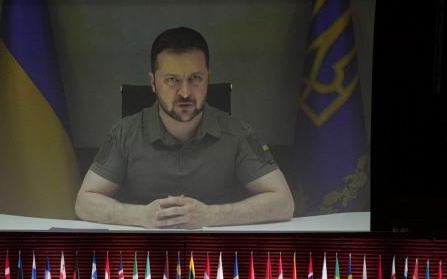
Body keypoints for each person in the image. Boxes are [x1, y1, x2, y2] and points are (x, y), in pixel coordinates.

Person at [74, 26, 295, 229]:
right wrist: (140, 216)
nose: (185, 93)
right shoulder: (124, 132)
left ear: (208, 78)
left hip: (216, 258)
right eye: (172, 80)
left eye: (195, 78)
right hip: (142, 259)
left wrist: (211, 216)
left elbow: (283, 203)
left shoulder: (237, 133)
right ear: (153, 82)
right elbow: (84, 203)